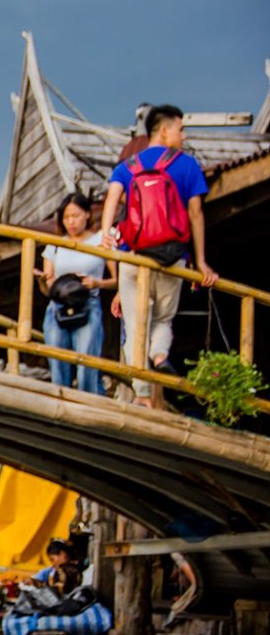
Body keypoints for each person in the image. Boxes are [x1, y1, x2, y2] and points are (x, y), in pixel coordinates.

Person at [99, 104, 218, 409]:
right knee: (163, 318)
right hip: (171, 257)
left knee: (137, 324)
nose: (184, 135)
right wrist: (201, 261)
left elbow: (112, 199)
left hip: (133, 255)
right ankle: (160, 355)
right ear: (164, 130)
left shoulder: (126, 167)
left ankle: (141, 395)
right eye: (180, 128)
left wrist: (105, 235)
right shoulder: (187, 165)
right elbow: (195, 214)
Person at [37, 194, 114, 394]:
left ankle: (91, 412)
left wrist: (96, 283)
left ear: (87, 215)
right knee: (58, 366)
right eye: (66, 217)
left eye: (75, 215)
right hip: (58, 306)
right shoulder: (54, 244)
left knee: (87, 367)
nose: (71, 221)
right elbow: (49, 287)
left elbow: (117, 281)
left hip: (88, 302)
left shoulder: (101, 241)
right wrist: (43, 280)